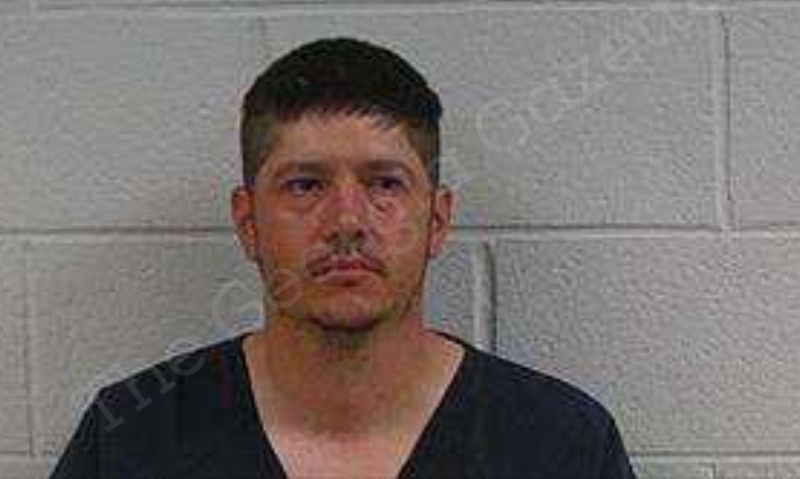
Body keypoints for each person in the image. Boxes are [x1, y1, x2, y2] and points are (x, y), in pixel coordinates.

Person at [51, 37, 636, 478]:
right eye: (305, 185)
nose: (347, 222)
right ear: (248, 222)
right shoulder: (132, 439)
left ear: (436, 221)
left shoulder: (561, 445)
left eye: (385, 184)